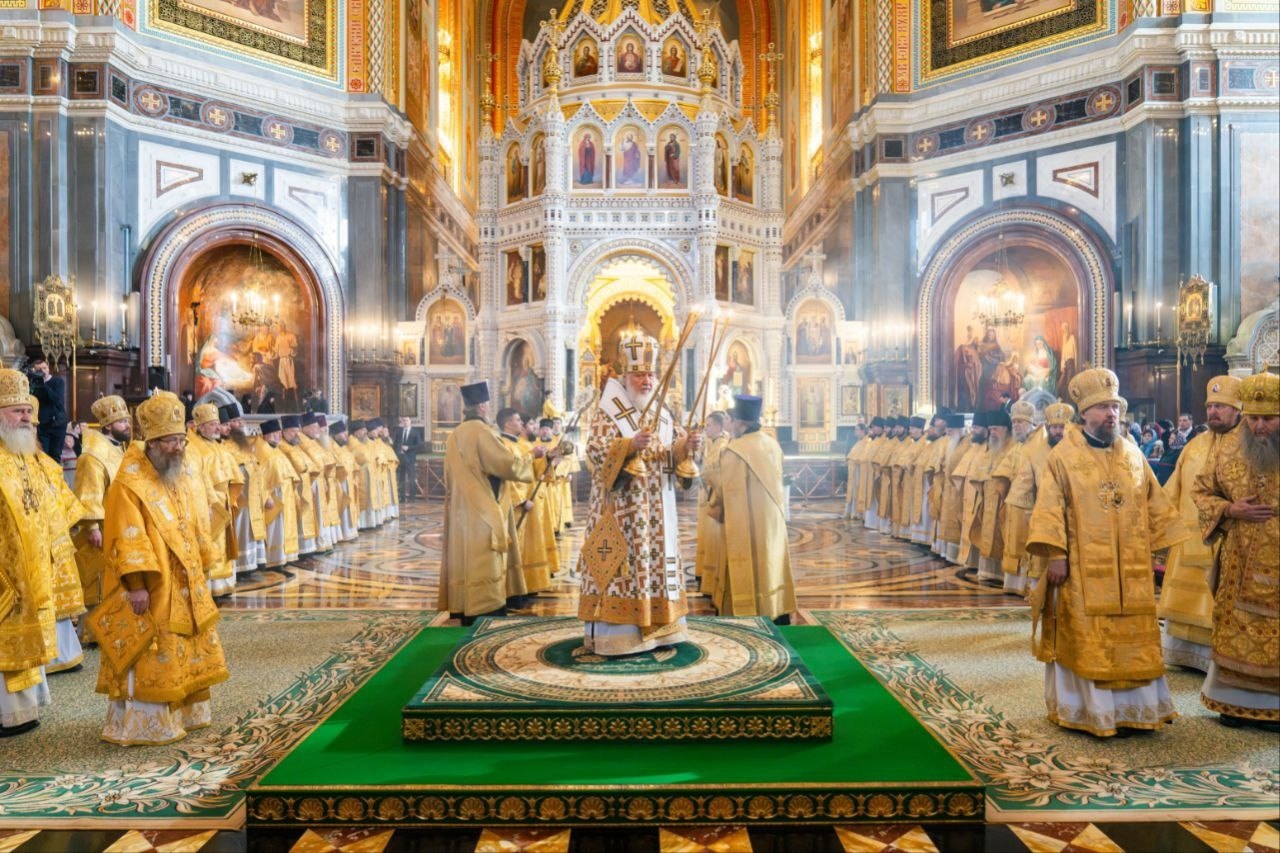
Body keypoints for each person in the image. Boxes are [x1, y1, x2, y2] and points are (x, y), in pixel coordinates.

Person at [1026, 368, 1185, 737]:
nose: (1111, 414)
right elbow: (1050, 507)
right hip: (1082, 569)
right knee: (1087, 637)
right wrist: (1056, 554)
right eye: (1102, 408)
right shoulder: (1062, 458)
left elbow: (1155, 502)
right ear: (1084, 413)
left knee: (1136, 638)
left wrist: (1160, 549)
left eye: (1114, 407)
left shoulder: (1132, 453)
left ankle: (1139, 710)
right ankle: (1090, 711)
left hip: (1131, 572)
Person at [94, 391, 229, 745]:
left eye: (181, 440)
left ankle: (183, 712)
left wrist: (204, 562)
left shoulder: (178, 473)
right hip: (152, 584)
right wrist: (135, 584)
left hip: (184, 580)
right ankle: (146, 722)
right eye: (170, 441)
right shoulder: (129, 483)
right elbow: (126, 536)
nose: (178, 447)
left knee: (184, 646)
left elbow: (195, 521)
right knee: (153, 646)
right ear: (151, 442)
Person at [577, 332, 701, 655]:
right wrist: (629, 445)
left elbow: (666, 455)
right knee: (625, 569)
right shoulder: (609, 409)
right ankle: (618, 638)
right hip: (622, 514)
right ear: (625, 376)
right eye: (639, 375)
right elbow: (594, 453)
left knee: (657, 565)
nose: (646, 381)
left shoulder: (662, 413)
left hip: (658, 512)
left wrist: (684, 447)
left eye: (650, 374)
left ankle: (662, 631)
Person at [1191, 370, 1279, 731]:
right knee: (1235, 625)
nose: (1259, 427)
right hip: (1239, 556)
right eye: (1253, 418)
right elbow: (1201, 492)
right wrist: (1230, 510)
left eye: (1269, 419)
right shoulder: (1226, 447)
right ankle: (1233, 702)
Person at [0, 371, 84, 735]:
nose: (28, 418)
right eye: (18, 411)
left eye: (27, 411)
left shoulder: (27, 457)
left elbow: (48, 506)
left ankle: (24, 709)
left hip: (33, 569)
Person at [1158, 376, 1242, 673]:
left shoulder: (1248, 447)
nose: (1214, 412)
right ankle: (1182, 655)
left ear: (1237, 409)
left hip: (1225, 540)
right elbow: (1172, 490)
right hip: (1186, 540)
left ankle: (1215, 662)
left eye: (1221, 406)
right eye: (1210, 405)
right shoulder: (1193, 446)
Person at [439, 382, 542, 624]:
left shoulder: (455, 434)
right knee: (485, 560)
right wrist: (533, 461)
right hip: (482, 509)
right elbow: (506, 464)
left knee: (464, 558)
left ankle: (462, 606)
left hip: (460, 510)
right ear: (483, 406)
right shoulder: (482, 433)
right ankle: (484, 609)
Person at [708, 395, 795, 623]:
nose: (730, 425)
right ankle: (776, 611)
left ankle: (749, 616)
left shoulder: (735, 451)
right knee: (771, 565)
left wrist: (710, 489)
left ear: (741, 424)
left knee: (751, 568)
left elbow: (728, 492)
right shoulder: (772, 444)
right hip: (773, 521)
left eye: (732, 420)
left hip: (749, 522)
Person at [71, 396, 133, 630]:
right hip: (100, 529)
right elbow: (88, 493)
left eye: (127, 420)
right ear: (108, 426)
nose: (127, 425)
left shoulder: (118, 448)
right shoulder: (92, 456)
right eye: (122, 422)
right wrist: (92, 527)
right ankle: (92, 631)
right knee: (96, 579)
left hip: (118, 524)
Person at [1003, 400, 1072, 595]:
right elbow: (1024, 483)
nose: (1058, 431)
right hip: (1043, 513)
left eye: (1062, 427)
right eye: (1054, 427)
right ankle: (1041, 596)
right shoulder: (1035, 451)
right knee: (1042, 561)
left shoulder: (1080, 452)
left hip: (1073, 514)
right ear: (1048, 428)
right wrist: (1027, 508)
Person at [497, 408, 557, 601]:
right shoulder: (502, 444)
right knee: (517, 548)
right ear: (507, 423)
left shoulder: (520, 444)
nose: (521, 424)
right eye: (517, 420)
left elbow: (533, 470)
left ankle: (529, 585)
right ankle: (515, 590)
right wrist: (521, 500)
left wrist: (547, 459)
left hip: (530, 500)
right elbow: (508, 474)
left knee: (529, 547)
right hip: (516, 505)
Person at [254, 418, 300, 568]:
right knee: (275, 530)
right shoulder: (262, 451)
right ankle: (273, 561)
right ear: (265, 435)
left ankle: (283, 559)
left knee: (283, 530)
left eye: (279, 433)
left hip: (285, 495)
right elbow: (258, 477)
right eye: (273, 434)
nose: (277, 436)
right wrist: (266, 497)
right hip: (274, 497)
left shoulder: (277, 449)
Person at [695, 411, 730, 593]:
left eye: (709, 425)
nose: (706, 428)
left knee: (712, 536)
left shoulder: (724, 446)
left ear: (718, 426)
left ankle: (712, 579)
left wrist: (704, 472)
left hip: (714, 498)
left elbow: (717, 472)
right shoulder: (711, 442)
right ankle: (702, 574)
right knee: (704, 534)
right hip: (705, 495)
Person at [931, 413, 973, 562]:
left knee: (959, 520)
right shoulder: (951, 441)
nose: (948, 433)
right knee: (948, 519)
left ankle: (959, 555)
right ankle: (948, 553)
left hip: (961, 489)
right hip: (948, 488)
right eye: (947, 430)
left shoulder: (969, 443)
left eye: (950, 430)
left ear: (960, 429)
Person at [28, 357, 68, 463]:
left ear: (48, 368)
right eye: (39, 370)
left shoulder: (58, 381)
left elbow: (57, 400)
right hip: (43, 426)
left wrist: (43, 386)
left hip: (58, 425)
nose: (43, 371)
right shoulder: (34, 385)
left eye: (44, 368)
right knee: (43, 456)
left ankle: (56, 479)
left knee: (55, 456)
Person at [327, 420, 360, 543]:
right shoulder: (331, 448)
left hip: (349, 481)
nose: (346, 436)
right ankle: (343, 532)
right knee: (342, 506)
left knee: (349, 505)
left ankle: (349, 531)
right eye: (342, 434)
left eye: (346, 433)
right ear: (335, 435)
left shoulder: (344, 448)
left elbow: (353, 463)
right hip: (339, 483)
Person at [394, 416, 425, 500]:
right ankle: (402, 497)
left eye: (407, 420)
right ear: (402, 422)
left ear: (410, 421)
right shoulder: (399, 431)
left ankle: (412, 497)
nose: (405, 422)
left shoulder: (415, 432)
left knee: (411, 478)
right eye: (403, 421)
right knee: (401, 479)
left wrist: (409, 447)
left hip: (410, 458)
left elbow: (420, 445)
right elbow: (395, 444)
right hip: (400, 458)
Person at [842, 422, 867, 520]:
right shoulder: (858, 442)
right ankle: (852, 512)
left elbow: (862, 458)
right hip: (853, 472)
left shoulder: (866, 442)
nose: (855, 432)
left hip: (859, 472)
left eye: (857, 429)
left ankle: (857, 512)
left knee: (857, 491)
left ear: (863, 431)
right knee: (852, 491)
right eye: (855, 429)